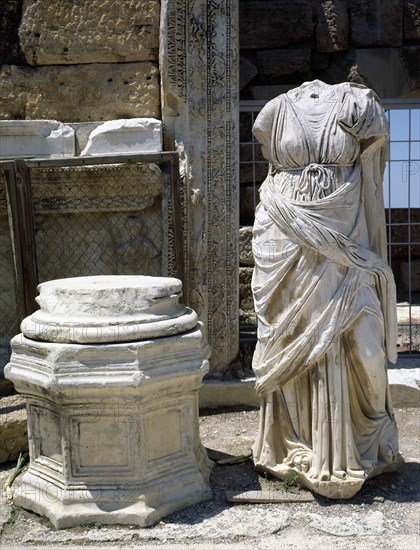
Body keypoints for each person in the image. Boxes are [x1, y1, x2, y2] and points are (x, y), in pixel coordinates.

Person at [251, 80, 400, 498]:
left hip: (347, 242)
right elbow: (274, 171)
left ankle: (368, 437)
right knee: (297, 343)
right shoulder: (275, 111)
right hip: (285, 237)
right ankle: (300, 447)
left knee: (366, 347)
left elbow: (375, 151)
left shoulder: (359, 102)